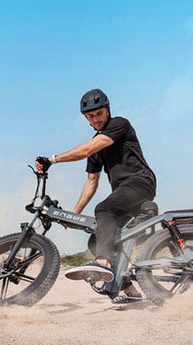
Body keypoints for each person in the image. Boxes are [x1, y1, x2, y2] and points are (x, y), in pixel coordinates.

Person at [35, 88, 156, 303]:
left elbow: (84, 151)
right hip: (123, 193)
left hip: (139, 182)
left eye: (99, 114)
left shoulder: (119, 124)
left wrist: (51, 160)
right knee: (95, 239)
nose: (95, 119)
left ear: (107, 110)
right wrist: (74, 213)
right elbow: (92, 182)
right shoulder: (95, 146)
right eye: (90, 117)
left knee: (103, 209)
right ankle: (130, 291)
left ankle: (102, 263)